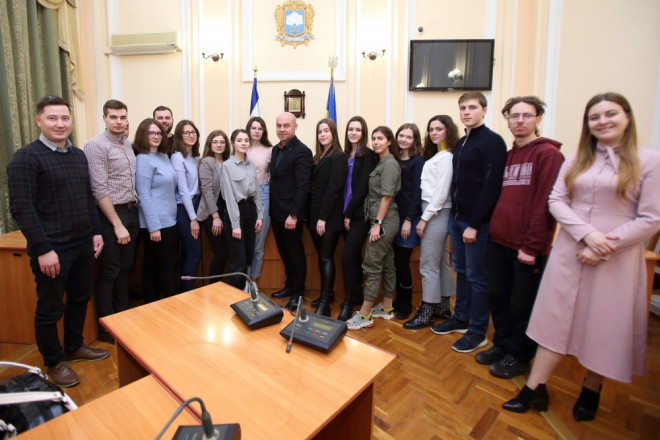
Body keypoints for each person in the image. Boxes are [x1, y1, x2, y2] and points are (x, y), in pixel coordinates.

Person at [503, 93, 660, 420]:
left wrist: (605, 244)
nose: (602, 121)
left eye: (610, 114)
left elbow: (651, 218)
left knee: (603, 323)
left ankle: (591, 387)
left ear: (627, 117)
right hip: (571, 247)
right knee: (553, 319)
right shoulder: (577, 159)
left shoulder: (649, 161)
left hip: (617, 255)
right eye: (594, 117)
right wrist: (587, 235)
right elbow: (556, 200)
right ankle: (534, 387)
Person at [7, 95, 109, 388]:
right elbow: (22, 209)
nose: (60, 124)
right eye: (52, 118)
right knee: (50, 308)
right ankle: (53, 362)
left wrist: (96, 231)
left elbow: (87, 197)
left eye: (65, 118)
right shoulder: (26, 158)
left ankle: (74, 346)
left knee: (80, 298)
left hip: (83, 244)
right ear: (39, 121)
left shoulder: (78, 155)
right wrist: (43, 249)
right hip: (52, 249)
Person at [476, 97, 563, 379]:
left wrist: (533, 246)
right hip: (499, 240)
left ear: (539, 119)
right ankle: (502, 344)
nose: (520, 121)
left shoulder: (548, 155)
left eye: (527, 115)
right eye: (515, 116)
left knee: (522, 304)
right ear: (508, 120)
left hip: (527, 247)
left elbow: (545, 203)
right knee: (499, 298)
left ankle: (520, 355)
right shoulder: (509, 155)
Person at [431, 91, 507, 353]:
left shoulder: (492, 141)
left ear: (484, 110)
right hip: (457, 218)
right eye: (463, 108)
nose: (466, 112)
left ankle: (478, 331)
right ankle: (460, 318)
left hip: (477, 223)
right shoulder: (462, 142)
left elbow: (491, 186)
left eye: (472, 107)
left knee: (477, 277)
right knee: (461, 272)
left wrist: (474, 224)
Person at [84, 99, 139, 344]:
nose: (118, 121)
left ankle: (123, 317)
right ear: (104, 118)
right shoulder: (96, 146)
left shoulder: (126, 144)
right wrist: (117, 224)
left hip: (131, 210)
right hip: (111, 214)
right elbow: (98, 188)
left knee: (125, 268)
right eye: (113, 117)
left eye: (122, 117)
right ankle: (107, 326)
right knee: (110, 270)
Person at [403, 115, 458, 330]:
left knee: (427, 263)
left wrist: (424, 219)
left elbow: (442, 193)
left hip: (436, 211)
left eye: (439, 129)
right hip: (436, 210)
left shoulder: (446, 157)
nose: (434, 133)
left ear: (448, 131)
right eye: (431, 129)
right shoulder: (437, 155)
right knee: (441, 261)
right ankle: (442, 306)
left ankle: (427, 310)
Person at [346, 126, 401, 330]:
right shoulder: (382, 162)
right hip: (382, 219)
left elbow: (387, 196)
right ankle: (387, 307)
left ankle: (365, 314)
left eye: (381, 139)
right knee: (387, 263)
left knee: (372, 265)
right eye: (374, 139)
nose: (376, 142)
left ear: (389, 141)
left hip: (384, 221)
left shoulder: (390, 164)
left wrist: (377, 224)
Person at [269, 112, 313, 312]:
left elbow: (303, 186)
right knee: (285, 253)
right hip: (276, 212)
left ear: (295, 127)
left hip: (291, 215)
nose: (282, 129)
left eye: (286, 125)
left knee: (295, 255)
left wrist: (294, 214)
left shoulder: (303, 151)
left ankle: (298, 293)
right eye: (279, 125)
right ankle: (289, 285)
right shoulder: (275, 149)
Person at [134, 118, 179, 302]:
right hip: (156, 224)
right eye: (151, 133)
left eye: (159, 133)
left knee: (162, 265)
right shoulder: (143, 159)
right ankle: (167, 304)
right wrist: (153, 227)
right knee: (162, 266)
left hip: (170, 220)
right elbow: (143, 194)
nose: (156, 136)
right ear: (142, 135)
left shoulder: (163, 156)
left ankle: (160, 304)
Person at [337, 116, 377, 321]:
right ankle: (357, 295)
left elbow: (362, 189)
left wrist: (348, 213)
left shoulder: (368, 155)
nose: (353, 133)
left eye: (358, 130)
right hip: (343, 213)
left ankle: (348, 301)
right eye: (350, 129)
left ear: (363, 133)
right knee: (352, 258)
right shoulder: (344, 154)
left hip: (358, 214)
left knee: (347, 256)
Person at [309, 119, 348, 316]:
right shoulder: (318, 157)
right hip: (315, 217)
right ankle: (328, 294)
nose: (323, 134)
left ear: (333, 133)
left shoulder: (339, 157)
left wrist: (323, 218)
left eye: (326, 131)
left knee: (326, 258)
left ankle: (324, 304)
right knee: (321, 257)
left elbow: (334, 189)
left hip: (329, 218)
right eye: (320, 131)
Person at [220, 129, 263, 288]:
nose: (243, 143)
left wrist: (260, 215)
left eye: (246, 140)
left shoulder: (250, 164)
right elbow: (229, 197)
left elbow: (256, 191)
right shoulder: (227, 166)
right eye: (239, 140)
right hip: (235, 212)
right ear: (232, 143)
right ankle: (234, 297)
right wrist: (235, 225)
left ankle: (243, 292)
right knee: (238, 261)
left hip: (250, 210)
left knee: (249, 255)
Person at [391, 123, 424, 320]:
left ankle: (406, 302)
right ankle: (398, 299)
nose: (404, 139)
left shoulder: (418, 161)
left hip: (408, 219)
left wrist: (409, 219)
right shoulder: (394, 159)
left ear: (414, 140)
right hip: (394, 217)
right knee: (394, 261)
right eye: (401, 135)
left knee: (402, 262)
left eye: (408, 137)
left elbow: (418, 193)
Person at [170, 120, 202, 292]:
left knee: (188, 253)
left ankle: (183, 291)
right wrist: (193, 219)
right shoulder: (177, 157)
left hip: (196, 205)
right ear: (179, 136)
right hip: (185, 209)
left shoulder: (195, 156)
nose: (191, 135)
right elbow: (183, 191)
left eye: (193, 132)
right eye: (186, 132)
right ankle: (188, 293)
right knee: (193, 254)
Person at [197, 130, 231, 279]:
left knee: (228, 252)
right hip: (212, 213)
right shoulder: (207, 162)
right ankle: (213, 287)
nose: (219, 145)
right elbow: (207, 190)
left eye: (222, 142)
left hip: (226, 211)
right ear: (210, 144)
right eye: (215, 142)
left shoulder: (227, 162)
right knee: (221, 252)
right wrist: (215, 216)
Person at [245, 117, 273, 280]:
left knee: (258, 245)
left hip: (263, 195)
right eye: (253, 128)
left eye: (260, 128)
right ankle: (244, 282)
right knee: (245, 243)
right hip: (244, 197)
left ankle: (253, 281)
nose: (256, 131)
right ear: (248, 130)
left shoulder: (270, 150)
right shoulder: (241, 147)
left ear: (264, 131)